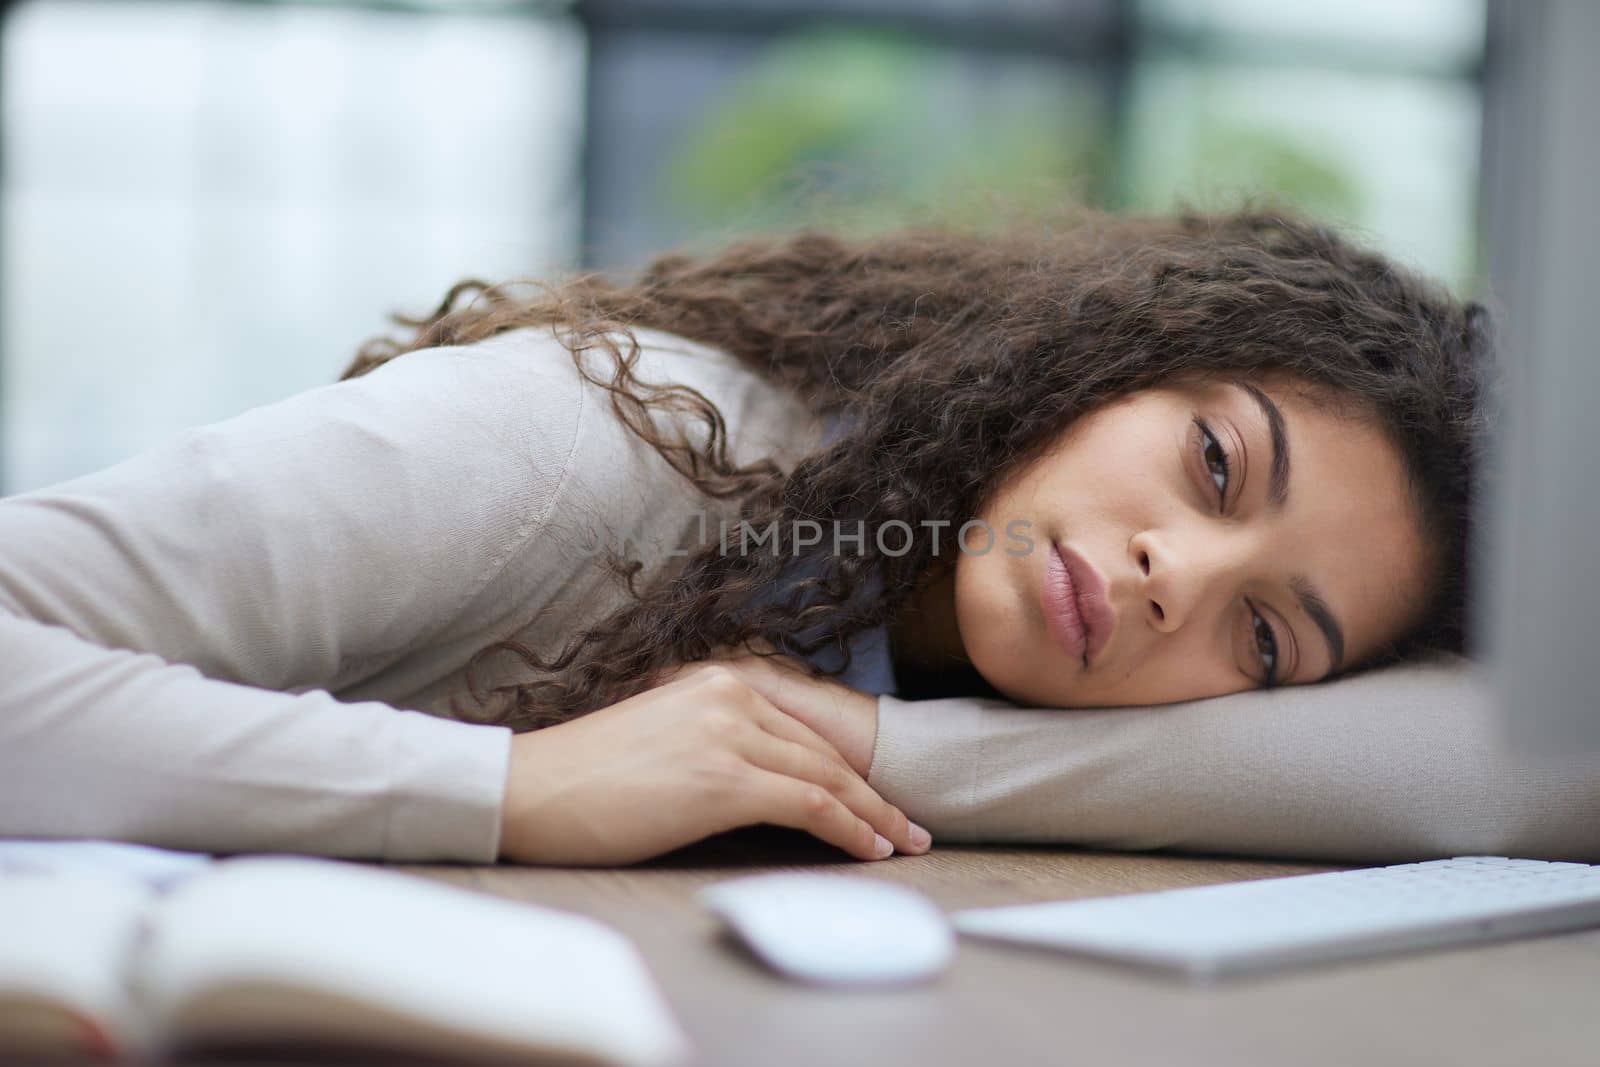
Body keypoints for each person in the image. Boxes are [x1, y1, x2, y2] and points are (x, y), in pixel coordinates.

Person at [0, 204, 1500, 868]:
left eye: (1268, 638)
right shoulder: (588, 439)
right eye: (1216, 463)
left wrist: (876, 752)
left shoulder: (907, 650)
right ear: (1097, 359)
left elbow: (1534, 764)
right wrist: (513, 790)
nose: (1184, 576)